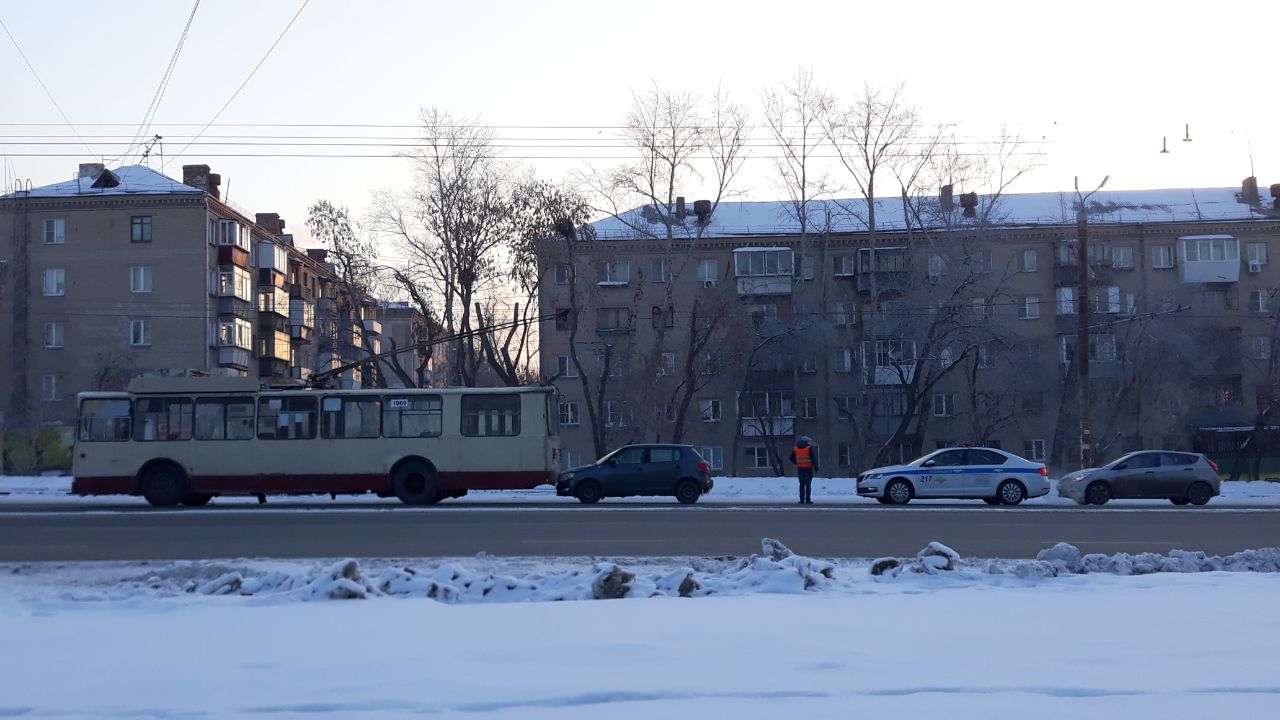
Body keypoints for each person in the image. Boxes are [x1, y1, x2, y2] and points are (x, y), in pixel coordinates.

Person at [788, 436, 819, 504]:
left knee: (801, 484)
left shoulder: (796, 448)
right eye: (808, 441)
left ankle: (801, 500)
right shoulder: (808, 448)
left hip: (800, 469)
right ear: (805, 442)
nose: (809, 443)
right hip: (808, 469)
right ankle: (808, 500)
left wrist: (797, 463)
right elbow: (813, 458)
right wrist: (816, 467)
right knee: (808, 484)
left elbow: (791, 458)